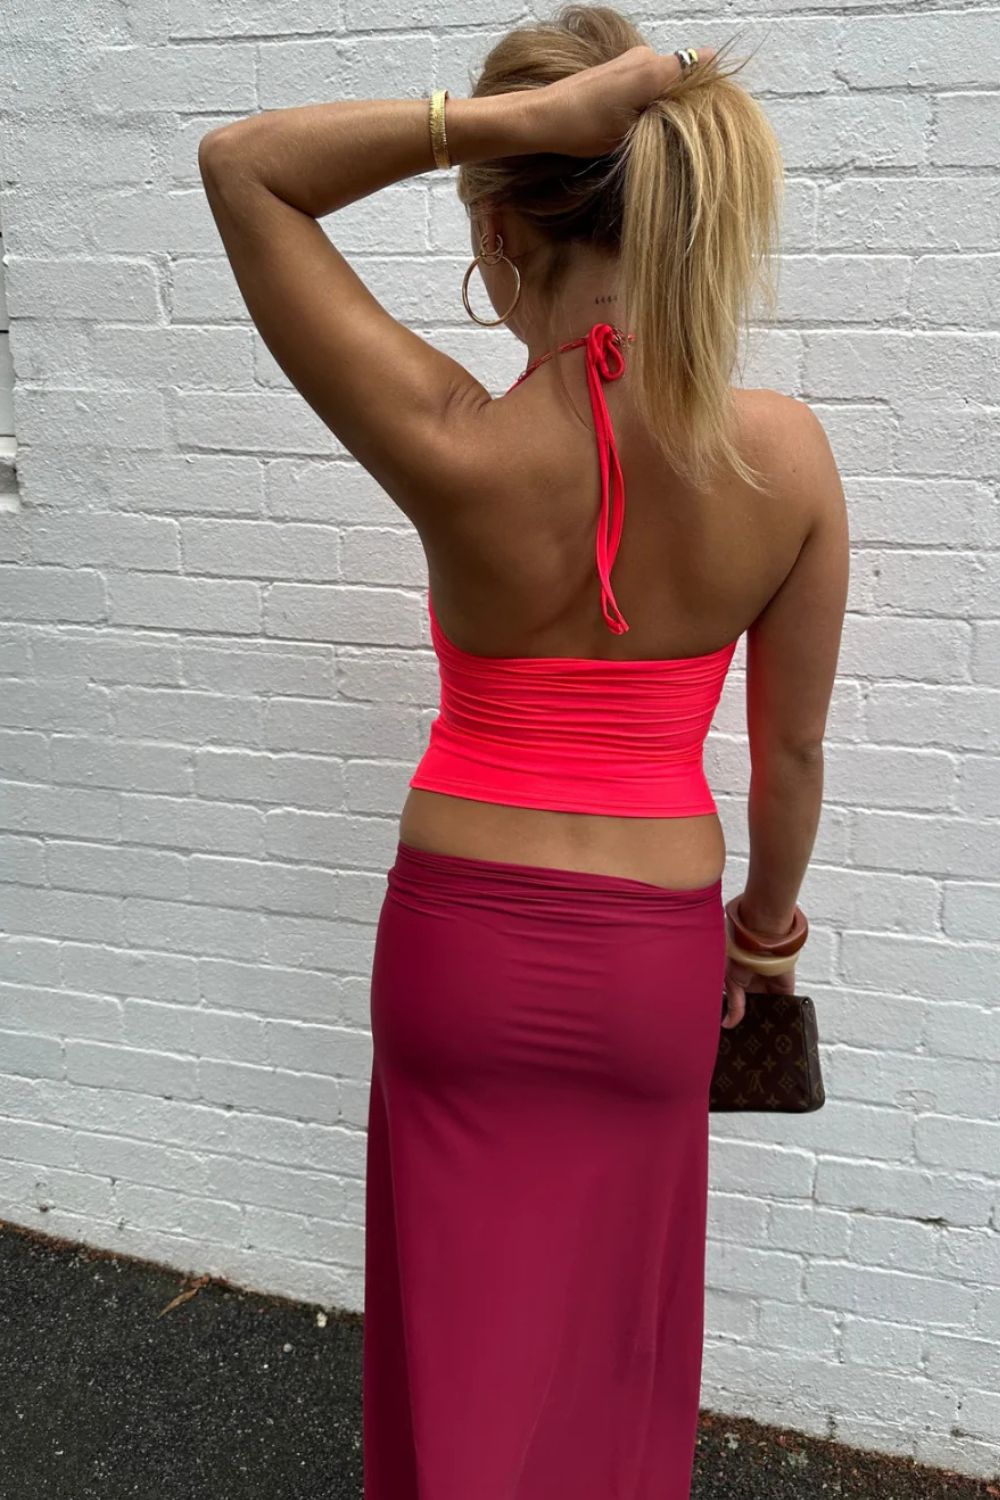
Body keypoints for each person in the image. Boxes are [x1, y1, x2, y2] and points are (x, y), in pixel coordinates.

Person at [199, 4, 849, 1495]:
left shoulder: (457, 439)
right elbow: (793, 756)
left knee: (459, 1329)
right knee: (614, 1339)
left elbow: (244, 168)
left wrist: (493, 129)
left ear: (500, 226)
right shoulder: (786, 458)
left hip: (460, 954)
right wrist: (763, 945)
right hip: (652, 973)